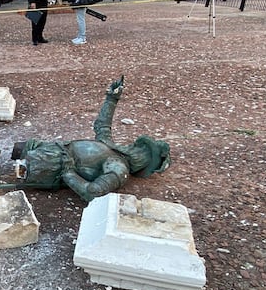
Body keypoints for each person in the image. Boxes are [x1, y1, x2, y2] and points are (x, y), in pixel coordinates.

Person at [10, 76, 170, 201]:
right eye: (138, 145)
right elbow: (102, 126)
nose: (134, 146)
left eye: (142, 149)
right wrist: (111, 99)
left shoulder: (118, 168)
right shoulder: (112, 149)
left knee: (23, 166)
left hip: (54, 163)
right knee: (18, 148)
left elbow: (93, 192)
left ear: (143, 162)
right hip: (53, 148)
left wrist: (68, 172)